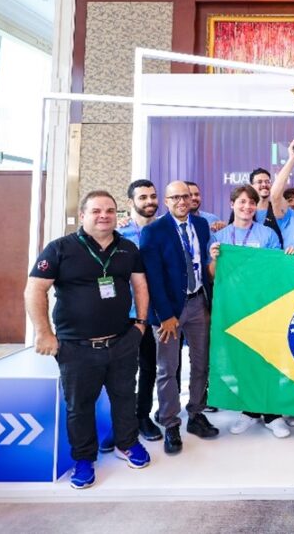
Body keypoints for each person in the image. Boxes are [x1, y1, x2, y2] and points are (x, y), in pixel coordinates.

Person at [25, 190, 151, 489]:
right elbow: (35, 289)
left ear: (117, 215)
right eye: (96, 211)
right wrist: (44, 333)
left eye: (109, 210)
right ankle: (84, 459)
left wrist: (141, 324)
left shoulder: (127, 248)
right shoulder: (60, 248)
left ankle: (127, 443)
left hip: (121, 341)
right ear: (83, 215)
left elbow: (140, 286)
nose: (103, 216)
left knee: (125, 397)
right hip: (76, 347)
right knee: (80, 406)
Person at [209, 184, 294, 438]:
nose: (247, 207)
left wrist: (288, 257)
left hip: (263, 305)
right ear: (232, 205)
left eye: (251, 202)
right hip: (234, 306)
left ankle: (272, 413)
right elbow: (212, 275)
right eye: (242, 202)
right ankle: (249, 410)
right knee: (241, 358)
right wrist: (215, 259)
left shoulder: (267, 234)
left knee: (267, 357)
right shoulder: (220, 237)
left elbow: (276, 269)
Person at [140, 180, 219, 456]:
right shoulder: (153, 231)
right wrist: (165, 315)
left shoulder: (201, 225)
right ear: (166, 201)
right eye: (175, 197)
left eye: (185, 196)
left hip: (198, 303)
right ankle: (170, 422)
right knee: (167, 368)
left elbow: (203, 265)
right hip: (169, 311)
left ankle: (196, 413)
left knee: (201, 363)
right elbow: (153, 277)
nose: (182, 201)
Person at [113, 179, 163, 444]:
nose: (149, 201)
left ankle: (143, 416)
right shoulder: (118, 233)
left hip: (154, 314)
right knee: (121, 370)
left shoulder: (165, 229)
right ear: (130, 202)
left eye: (152, 196)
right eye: (142, 197)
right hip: (123, 313)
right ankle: (120, 423)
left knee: (149, 367)